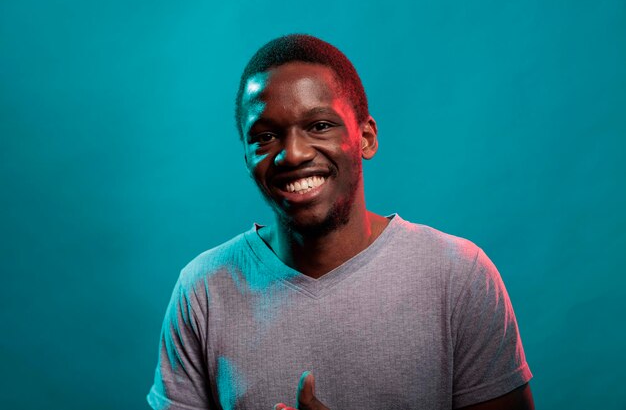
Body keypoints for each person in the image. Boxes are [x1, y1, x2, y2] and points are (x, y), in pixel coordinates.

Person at [146, 34, 534, 410]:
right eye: (265, 136)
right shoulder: (203, 290)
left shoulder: (459, 276)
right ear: (247, 158)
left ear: (365, 137)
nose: (293, 154)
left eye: (319, 126)